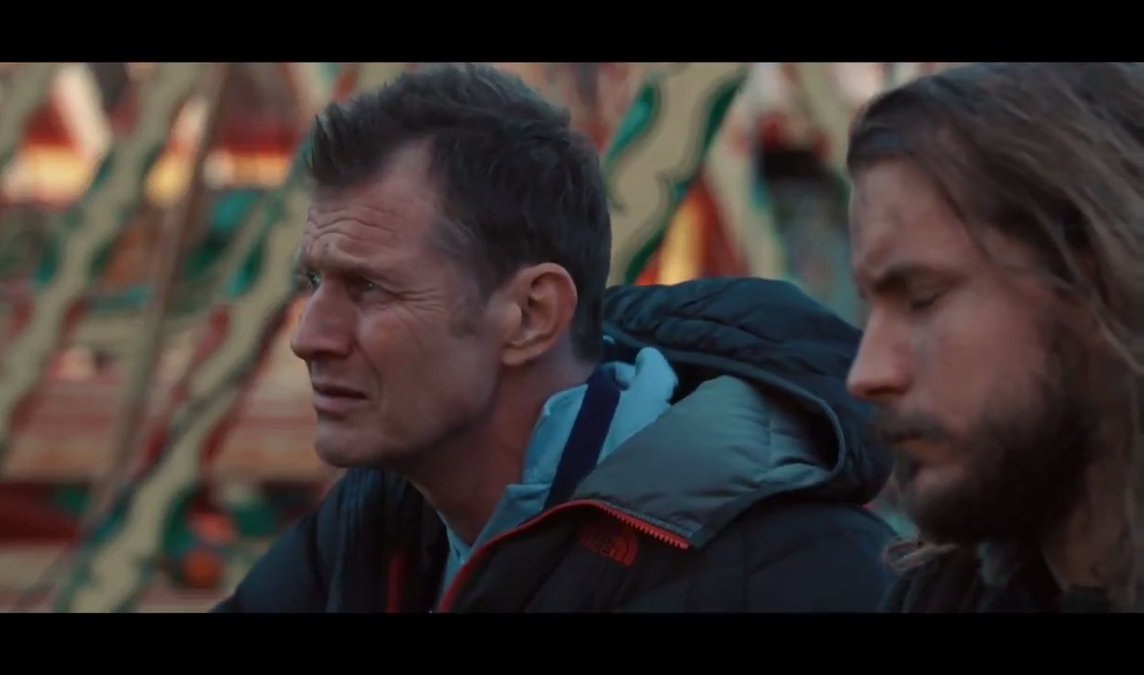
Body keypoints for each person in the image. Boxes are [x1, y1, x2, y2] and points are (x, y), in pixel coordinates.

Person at [212, 63, 895, 613]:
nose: (310, 336)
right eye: (313, 282)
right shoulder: (376, 520)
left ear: (532, 315)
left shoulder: (799, 575)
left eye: (368, 288)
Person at [845, 62, 1144, 612]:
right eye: (872, 308)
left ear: (1099, 286)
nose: (867, 374)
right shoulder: (937, 600)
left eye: (922, 299)